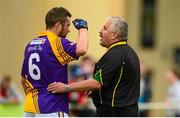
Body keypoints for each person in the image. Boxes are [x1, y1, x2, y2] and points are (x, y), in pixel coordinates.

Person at [48, 16, 140, 117]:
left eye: (105, 28)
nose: (100, 31)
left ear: (114, 34)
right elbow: (120, 86)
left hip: (114, 113)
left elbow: (96, 83)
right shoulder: (130, 53)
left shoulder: (114, 55)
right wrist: (99, 93)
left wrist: (66, 87)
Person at [21, 6, 88, 117]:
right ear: (58, 25)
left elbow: (23, 80)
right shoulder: (56, 42)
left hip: (29, 108)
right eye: (67, 26)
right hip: (52, 107)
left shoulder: (30, 45)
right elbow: (82, 49)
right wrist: (83, 28)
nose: (69, 30)